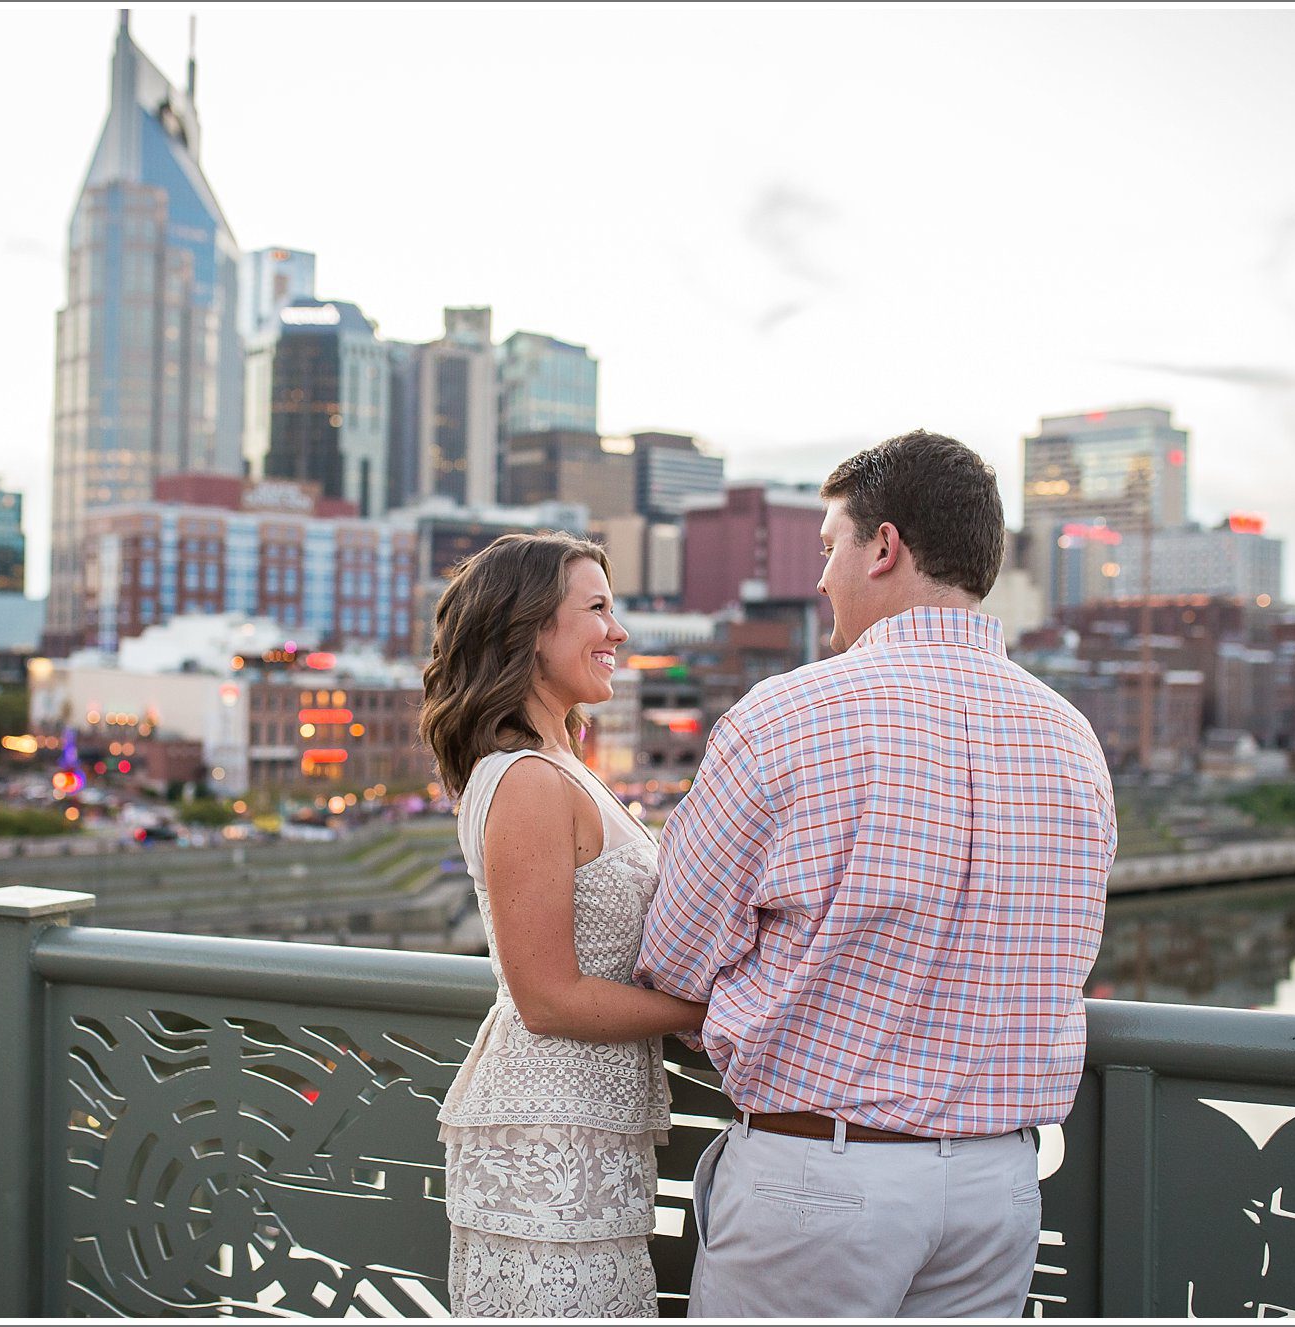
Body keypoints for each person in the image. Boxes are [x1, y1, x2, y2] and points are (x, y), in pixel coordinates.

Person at [636, 430, 1116, 1318]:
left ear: (884, 546)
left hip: (821, 1180)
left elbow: (672, 957)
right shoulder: (1072, 738)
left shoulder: (787, 716)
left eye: (830, 548)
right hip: (998, 1186)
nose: (821, 578)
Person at [420, 531, 706, 1318]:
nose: (618, 632)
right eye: (598, 608)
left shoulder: (560, 767)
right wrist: (710, 1014)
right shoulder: (529, 781)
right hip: (548, 1145)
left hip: (583, 1135)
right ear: (529, 628)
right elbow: (547, 997)